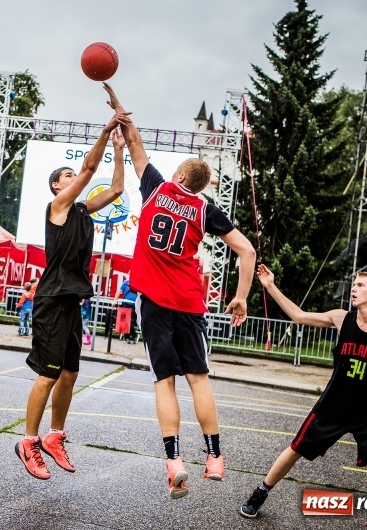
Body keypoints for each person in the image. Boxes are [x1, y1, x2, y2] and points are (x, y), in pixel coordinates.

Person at [106, 83, 256, 498]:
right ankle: (215, 458)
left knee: (164, 382)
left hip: (154, 301)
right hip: (190, 303)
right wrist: (241, 296)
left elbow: (134, 141)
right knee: (198, 379)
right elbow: (247, 251)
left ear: (177, 177)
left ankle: (174, 462)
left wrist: (120, 108)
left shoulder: (156, 187)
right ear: (202, 185)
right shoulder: (206, 209)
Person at [239, 265, 367, 530]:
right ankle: (260, 492)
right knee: (295, 448)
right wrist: (270, 286)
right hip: (333, 404)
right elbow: (299, 316)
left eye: (360, 285)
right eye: (353, 285)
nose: (353, 289)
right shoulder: (341, 318)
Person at [15, 107, 131, 481]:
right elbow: (88, 172)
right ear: (56, 186)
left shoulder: (82, 209)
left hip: (71, 301)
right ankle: (27, 441)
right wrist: (106, 130)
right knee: (48, 375)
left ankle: (54, 436)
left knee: (69, 374)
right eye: (66, 175)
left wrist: (118, 150)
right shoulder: (58, 206)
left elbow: (115, 190)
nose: (74, 177)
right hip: (51, 299)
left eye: (72, 175)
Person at [113, 277, 139, 344]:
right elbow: (119, 291)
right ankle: (133, 335)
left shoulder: (137, 283)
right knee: (126, 321)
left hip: (134, 305)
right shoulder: (126, 282)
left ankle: (127, 337)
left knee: (131, 321)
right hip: (126, 303)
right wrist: (114, 300)